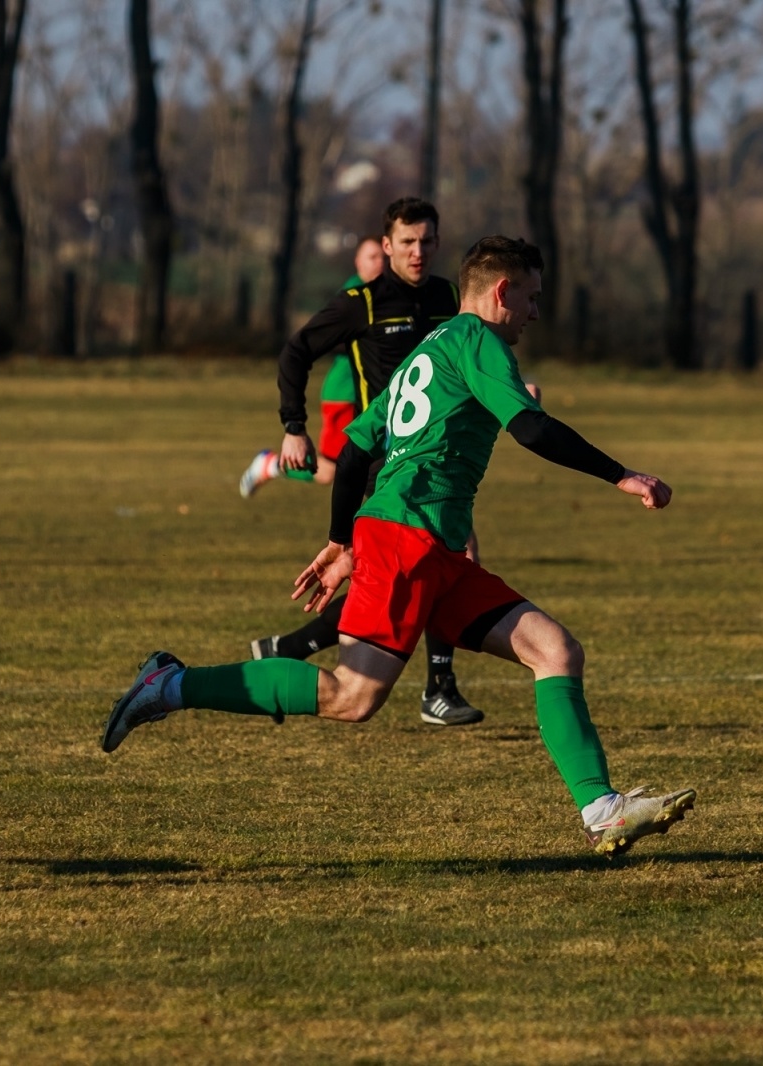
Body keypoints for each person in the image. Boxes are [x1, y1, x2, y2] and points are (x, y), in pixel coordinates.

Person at [103, 235, 696, 858]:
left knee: (555, 650)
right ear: (502, 291)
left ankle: (602, 811)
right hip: (406, 540)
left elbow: (356, 448)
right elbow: (532, 429)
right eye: (531, 297)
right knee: (351, 697)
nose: (535, 313)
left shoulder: (431, 347)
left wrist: (341, 541)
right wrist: (622, 476)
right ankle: (171, 684)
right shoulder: (477, 339)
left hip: (432, 548)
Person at [239, 198, 485, 727]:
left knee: (402, 575)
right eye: (407, 242)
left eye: (427, 241)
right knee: (448, 557)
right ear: (387, 245)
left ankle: (287, 648)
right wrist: (293, 425)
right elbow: (296, 351)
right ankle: (438, 689)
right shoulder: (363, 303)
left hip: (439, 457)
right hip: (383, 459)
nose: (418, 252)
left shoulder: (450, 298)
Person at [239, 235, 384, 493]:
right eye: (372, 257)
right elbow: (322, 340)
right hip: (345, 393)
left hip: (371, 396)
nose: (379, 263)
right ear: (358, 262)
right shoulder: (354, 295)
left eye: (383, 257)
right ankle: (270, 465)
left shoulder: (387, 294)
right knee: (327, 471)